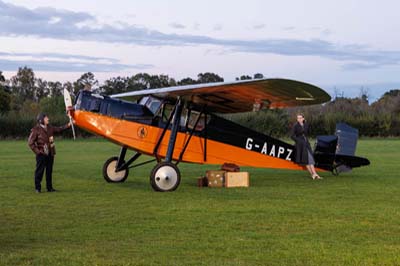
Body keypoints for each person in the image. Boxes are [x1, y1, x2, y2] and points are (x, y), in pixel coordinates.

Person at [28, 113, 71, 193]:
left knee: (49, 171)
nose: (48, 119)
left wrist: (68, 125)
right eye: (46, 118)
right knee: (39, 171)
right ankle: (38, 188)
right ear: (41, 120)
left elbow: (59, 129)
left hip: (50, 153)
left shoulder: (50, 127)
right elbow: (30, 143)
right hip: (41, 154)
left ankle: (49, 188)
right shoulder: (36, 129)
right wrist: (38, 152)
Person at [291, 113, 322, 180]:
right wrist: (299, 141)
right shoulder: (295, 126)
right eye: (298, 118)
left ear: (303, 118)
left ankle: (314, 175)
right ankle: (314, 174)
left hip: (307, 143)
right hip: (300, 145)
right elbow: (292, 136)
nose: (299, 119)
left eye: (300, 118)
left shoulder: (306, 124)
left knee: (309, 159)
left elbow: (307, 133)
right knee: (307, 160)